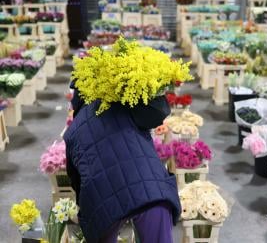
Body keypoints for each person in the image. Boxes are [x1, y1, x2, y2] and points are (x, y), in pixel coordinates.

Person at [63, 82, 181, 243]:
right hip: (150, 190)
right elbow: (157, 113)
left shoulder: (72, 132)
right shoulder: (125, 101)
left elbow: (76, 181)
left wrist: (86, 217)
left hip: (103, 202)